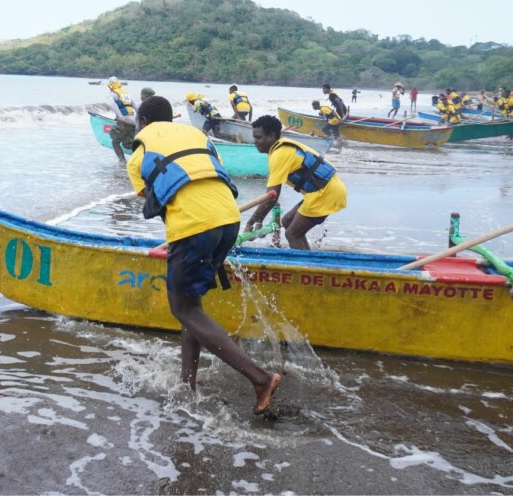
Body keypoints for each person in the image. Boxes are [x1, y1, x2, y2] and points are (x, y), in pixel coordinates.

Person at [128, 96, 282, 413]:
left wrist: (180, 237)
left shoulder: (139, 153)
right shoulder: (195, 135)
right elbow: (206, 177)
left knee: (183, 309)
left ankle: (260, 378)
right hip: (228, 219)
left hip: (194, 226)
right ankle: (188, 383)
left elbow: (159, 200)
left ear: (142, 123)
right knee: (192, 306)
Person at [247, 115, 348, 251]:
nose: (255, 141)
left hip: (325, 193)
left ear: (271, 136)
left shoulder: (279, 155)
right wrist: (259, 219)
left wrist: (252, 221)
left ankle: (307, 268)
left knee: (292, 234)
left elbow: (272, 195)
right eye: (254, 137)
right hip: (328, 189)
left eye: (258, 137)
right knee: (287, 221)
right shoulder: (282, 147)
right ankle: (308, 258)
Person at [106, 76, 136, 163]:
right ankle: (137, 160)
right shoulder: (126, 94)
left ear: (110, 86)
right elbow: (136, 108)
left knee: (115, 142)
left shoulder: (111, 94)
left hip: (124, 121)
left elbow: (113, 105)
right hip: (133, 122)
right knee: (129, 144)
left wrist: (120, 117)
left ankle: (122, 162)